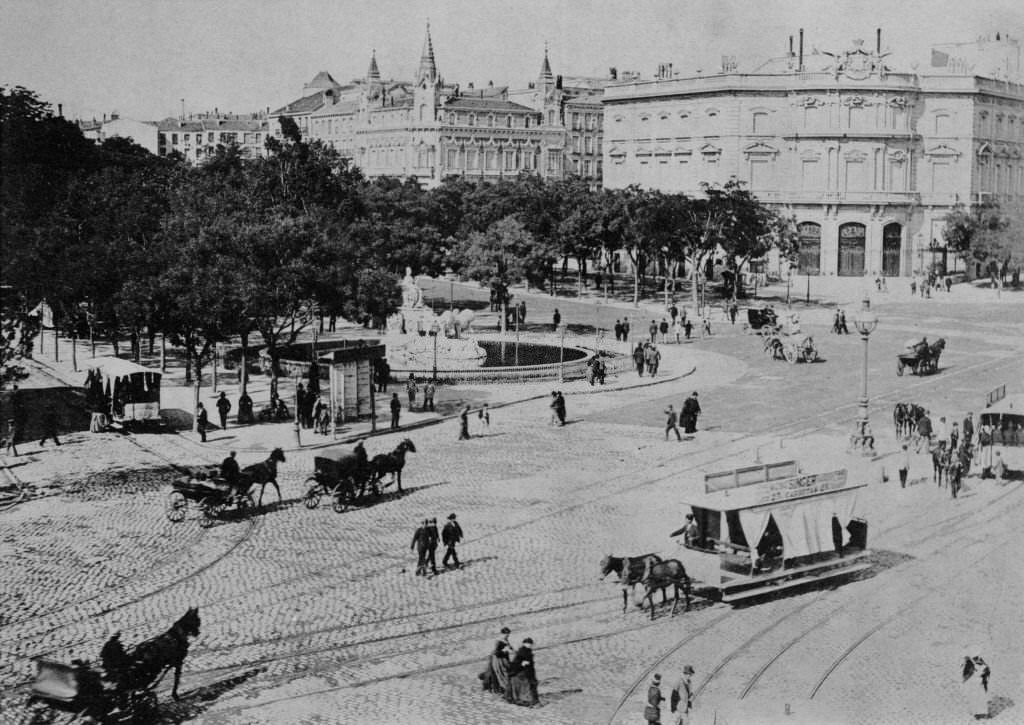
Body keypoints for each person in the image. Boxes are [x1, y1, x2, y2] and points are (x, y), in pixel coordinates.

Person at [506, 637, 539, 706]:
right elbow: (516, 662)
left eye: (530, 644)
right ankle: (526, 699)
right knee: (526, 684)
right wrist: (522, 663)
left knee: (531, 684)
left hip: (528, 670)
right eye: (527, 643)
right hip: (521, 671)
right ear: (524, 644)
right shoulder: (522, 651)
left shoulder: (528, 651)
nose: (529, 645)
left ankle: (529, 699)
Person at [481, 627, 512, 694]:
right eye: (506, 635)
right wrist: (504, 651)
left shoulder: (505, 640)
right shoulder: (498, 641)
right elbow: (496, 652)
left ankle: (502, 688)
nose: (507, 636)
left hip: (504, 658)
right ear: (502, 634)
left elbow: (509, 647)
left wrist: (510, 649)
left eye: (508, 635)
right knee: (500, 673)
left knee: (504, 672)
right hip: (498, 660)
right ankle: (502, 688)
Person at [962, 654, 991, 719]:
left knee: (980, 697)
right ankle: (977, 714)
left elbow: (987, 670)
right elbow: (966, 675)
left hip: (978, 683)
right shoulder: (969, 664)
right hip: (974, 684)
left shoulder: (980, 663)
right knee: (976, 698)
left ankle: (982, 713)